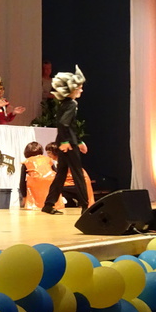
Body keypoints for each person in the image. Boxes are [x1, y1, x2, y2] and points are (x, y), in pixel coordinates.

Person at [41, 65, 90, 215]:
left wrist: (78, 141)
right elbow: (63, 123)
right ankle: (85, 206)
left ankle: (49, 204)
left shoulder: (65, 103)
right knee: (77, 174)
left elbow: (68, 125)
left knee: (61, 174)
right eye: (79, 87)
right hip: (68, 144)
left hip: (67, 142)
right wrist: (65, 143)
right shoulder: (72, 104)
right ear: (71, 89)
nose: (81, 90)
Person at [47, 141, 95, 208]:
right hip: (72, 183)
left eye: (49, 152)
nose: (48, 155)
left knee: (55, 188)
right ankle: (70, 202)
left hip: (77, 183)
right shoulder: (59, 161)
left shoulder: (65, 160)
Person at [19, 141, 60, 210]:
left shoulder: (26, 162)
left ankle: (34, 204)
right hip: (51, 181)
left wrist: (24, 196)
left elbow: (22, 181)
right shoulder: (48, 159)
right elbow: (56, 172)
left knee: (29, 180)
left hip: (35, 182)